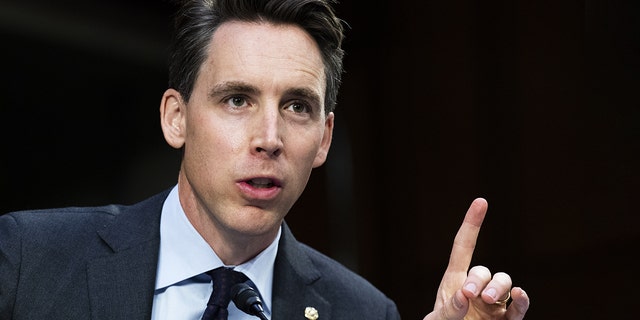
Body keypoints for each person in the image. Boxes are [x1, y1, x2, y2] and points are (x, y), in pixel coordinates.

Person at [0, 0, 530, 319]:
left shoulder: (364, 313)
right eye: (237, 99)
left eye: (296, 106)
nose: (269, 138)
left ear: (323, 140)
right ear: (175, 118)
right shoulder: (28, 260)